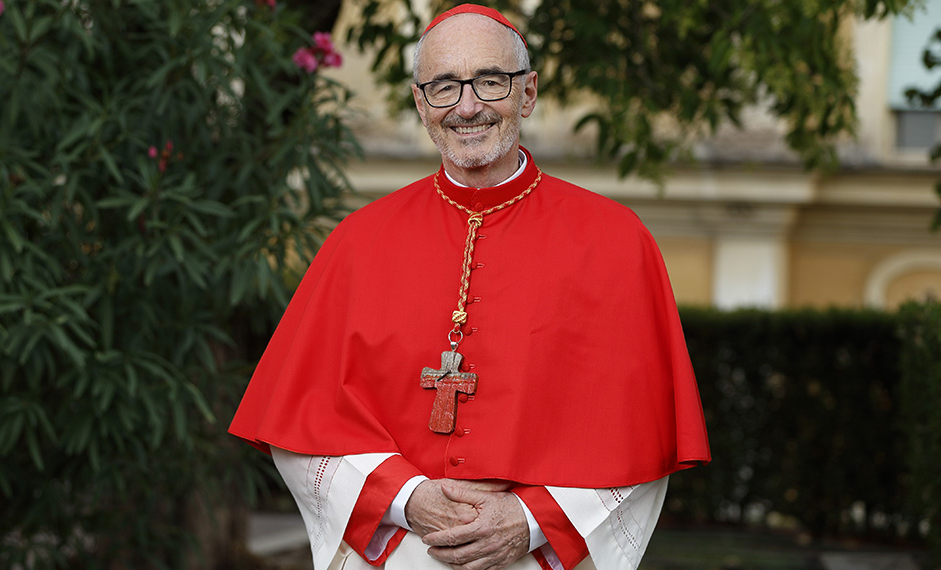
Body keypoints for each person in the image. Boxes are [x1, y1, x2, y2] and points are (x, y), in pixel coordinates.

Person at [229, 4, 710, 569]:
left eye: (490, 81)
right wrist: (409, 500)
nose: (468, 106)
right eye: (443, 86)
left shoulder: (616, 243)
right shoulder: (358, 243)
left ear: (527, 93)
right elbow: (301, 427)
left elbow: (641, 444)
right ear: (419, 102)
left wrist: (530, 521)